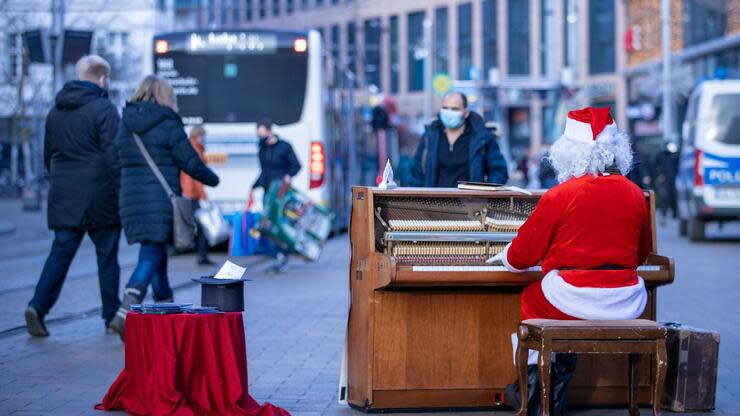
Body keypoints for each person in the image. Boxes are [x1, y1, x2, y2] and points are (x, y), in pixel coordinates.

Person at [489, 107, 650, 415]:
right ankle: (562, 383)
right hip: (627, 298)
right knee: (554, 297)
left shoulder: (560, 195)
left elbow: (522, 257)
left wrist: (505, 256)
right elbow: (641, 255)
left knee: (532, 298)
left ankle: (537, 394)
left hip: (573, 297)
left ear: (567, 151)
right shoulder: (635, 194)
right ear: (616, 150)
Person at [108, 75, 219, 337]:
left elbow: (114, 161)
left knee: (156, 252)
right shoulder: (168, 123)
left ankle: (165, 307)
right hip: (160, 200)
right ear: (166, 96)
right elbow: (189, 161)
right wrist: (212, 179)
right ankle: (126, 310)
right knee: (150, 255)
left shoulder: (125, 124)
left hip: (131, 199)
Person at [25, 55, 122, 337]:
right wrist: (121, 190)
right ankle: (110, 316)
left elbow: (48, 155)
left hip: (64, 195)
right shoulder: (104, 109)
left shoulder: (56, 111)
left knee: (60, 253)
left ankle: (37, 306)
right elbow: (114, 155)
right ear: (102, 79)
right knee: (106, 257)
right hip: (100, 197)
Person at [411, 91, 508, 187]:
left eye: (455, 109)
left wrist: (485, 192)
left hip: (470, 201)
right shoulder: (429, 137)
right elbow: (416, 172)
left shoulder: (482, 138)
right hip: (435, 201)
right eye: (445, 108)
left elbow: (499, 171)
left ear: (465, 113)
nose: (449, 113)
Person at [248, 118, 301, 272]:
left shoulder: (284, 147)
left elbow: (296, 165)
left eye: (263, 134)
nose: (261, 137)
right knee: (268, 224)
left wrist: (288, 176)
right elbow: (264, 171)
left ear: (270, 131)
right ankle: (278, 254)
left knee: (280, 223)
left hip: (281, 192)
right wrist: (253, 186)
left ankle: (283, 254)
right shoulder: (261, 149)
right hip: (267, 192)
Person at [180, 125, 215, 265]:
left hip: (188, 192)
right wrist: (203, 196)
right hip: (192, 193)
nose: (204, 139)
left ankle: (202, 254)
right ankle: (202, 255)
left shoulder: (191, 148)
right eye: (203, 136)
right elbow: (197, 176)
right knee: (201, 225)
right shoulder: (195, 150)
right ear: (198, 136)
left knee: (197, 224)